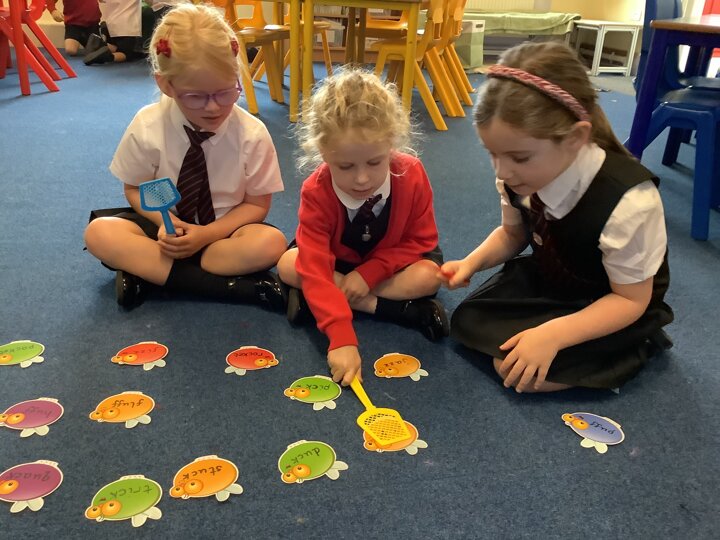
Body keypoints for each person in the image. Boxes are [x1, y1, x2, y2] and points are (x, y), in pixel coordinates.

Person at [441, 41, 673, 393]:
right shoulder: (516, 176)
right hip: (555, 280)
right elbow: (512, 235)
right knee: (468, 320)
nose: (502, 171)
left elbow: (631, 300)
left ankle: (637, 347)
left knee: (515, 369)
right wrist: (471, 263)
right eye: (492, 154)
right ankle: (555, 334)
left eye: (519, 157)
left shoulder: (628, 202)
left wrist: (552, 335)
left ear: (576, 138)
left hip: (613, 302)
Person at [84, 3, 287, 311]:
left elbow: (257, 205)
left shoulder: (252, 134)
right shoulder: (147, 125)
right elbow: (135, 188)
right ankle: (232, 288)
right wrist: (165, 224)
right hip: (165, 231)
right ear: (166, 84)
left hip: (223, 234)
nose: (213, 107)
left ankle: (150, 276)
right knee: (99, 233)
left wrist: (206, 235)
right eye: (196, 96)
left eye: (226, 92)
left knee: (270, 244)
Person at [277, 68, 449, 386]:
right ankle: (392, 309)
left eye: (374, 162)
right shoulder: (316, 190)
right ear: (323, 153)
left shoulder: (411, 173)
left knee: (430, 277)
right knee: (288, 264)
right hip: (337, 262)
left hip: (395, 260)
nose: (361, 179)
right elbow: (315, 265)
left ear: (391, 145)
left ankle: (323, 302)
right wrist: (341, 338)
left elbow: (420, 241)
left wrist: (368, 274)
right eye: (345, 166)